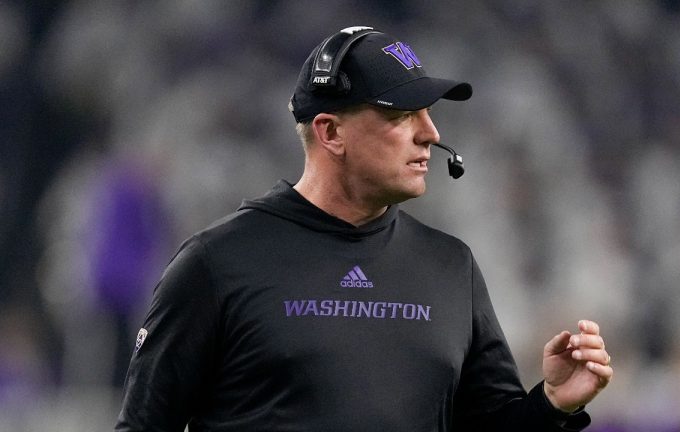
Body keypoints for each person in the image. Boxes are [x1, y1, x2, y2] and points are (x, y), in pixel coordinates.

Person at [116, 26, 612, 431]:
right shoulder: (215, 264)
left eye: (429, 113)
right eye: (402, 114)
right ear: (331, 131)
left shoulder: (450, 266)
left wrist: (551, 404)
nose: (431, 133)